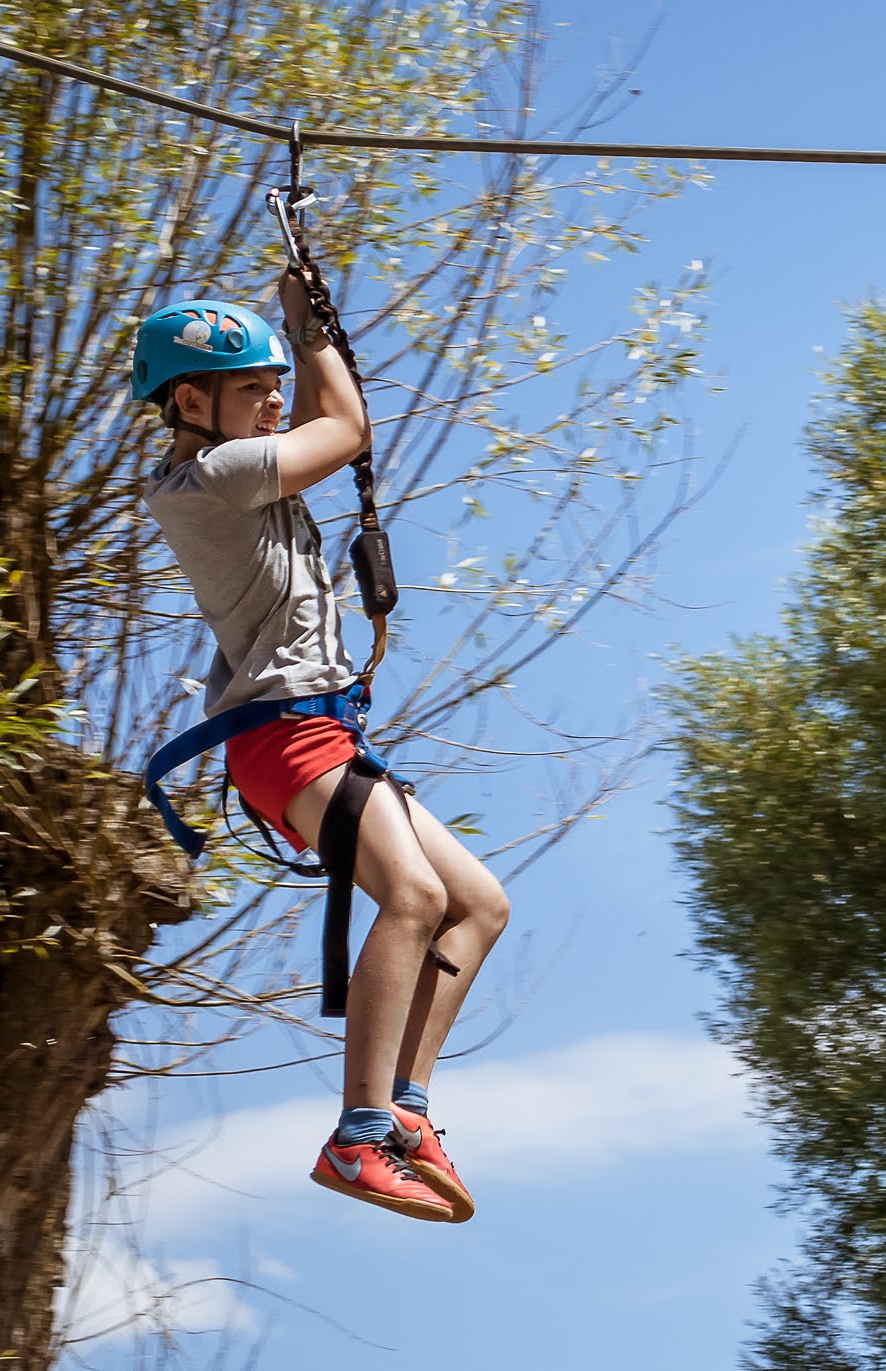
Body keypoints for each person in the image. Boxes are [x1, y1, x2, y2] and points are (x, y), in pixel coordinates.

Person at [134, 274, 510, 1223]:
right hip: (281, 734)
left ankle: (406, 1114)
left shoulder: (238, 460)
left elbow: (314, 418)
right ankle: (355, 1135)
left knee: (476, 905)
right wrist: (305, 330)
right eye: (250, 387)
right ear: (189, 401)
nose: (272, 402)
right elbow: (343, 429)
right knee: (417, 897)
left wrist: (302, 326)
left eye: (272, 384)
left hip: (318, 731)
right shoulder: (207, 481)